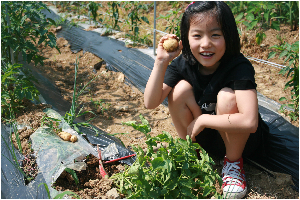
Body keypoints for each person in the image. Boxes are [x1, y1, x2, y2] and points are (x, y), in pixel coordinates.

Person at [144, 1, 268, 199]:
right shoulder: (183, 64)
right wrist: (161, 61)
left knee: (227, 97)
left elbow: (249, 122)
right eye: (197, 35)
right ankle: (193, 154)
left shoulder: (239, 67)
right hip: (202, 138)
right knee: (179, 90)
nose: (205, 43)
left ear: (229, 35)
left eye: (215, 35)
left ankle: (233, 164)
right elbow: (150, 103)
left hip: (238, 141)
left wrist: (202, 120)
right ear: (185, 37)